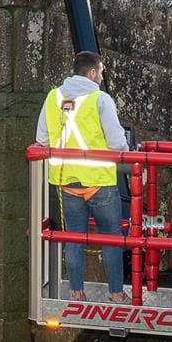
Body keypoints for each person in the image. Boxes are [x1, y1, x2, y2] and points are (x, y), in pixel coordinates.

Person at [35, 50, 128, 302]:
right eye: (101, 71)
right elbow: (118, 143)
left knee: (73, 237)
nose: (101, 76)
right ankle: (116, 294)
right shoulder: (101, 99)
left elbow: (41, 139)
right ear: (92, 72)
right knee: (111, 237)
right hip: (99, 181)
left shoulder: (53, 97)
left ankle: (76, 292)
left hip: (66, 181)